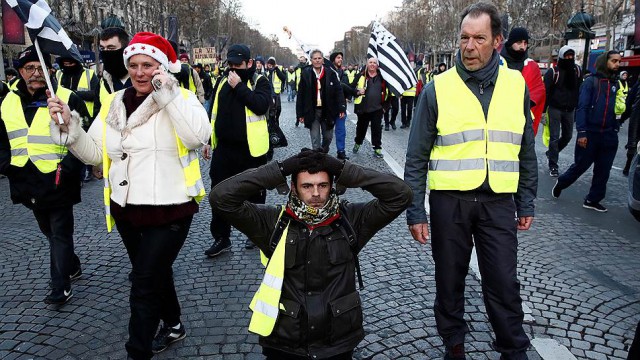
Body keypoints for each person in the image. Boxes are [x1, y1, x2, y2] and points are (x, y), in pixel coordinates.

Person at [47, 32, 210, 359]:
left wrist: (167, 95)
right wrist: (70, 127)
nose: (139, 72)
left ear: (162, 67)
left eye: (147, 65)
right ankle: (175, 324)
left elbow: (196, 137)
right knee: (154, 273)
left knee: (143, 282)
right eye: (133, 65)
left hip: (171, 209)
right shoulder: (115, 102)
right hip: (127, 211)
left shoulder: (183, 99)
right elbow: (95, 154)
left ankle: (137, 351)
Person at [404, 3, 537, 359]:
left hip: (498, 203)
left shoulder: (515, 85)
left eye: (479, 38)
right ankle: (454, 344)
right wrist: (416, 211)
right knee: (449, 280)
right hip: (450, 204)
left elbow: (526, 149)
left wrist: (526, 200)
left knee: (504, 282)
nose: (469, 46)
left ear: (497, 41)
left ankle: (513, 348)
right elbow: (416, 155)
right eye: (464, 37)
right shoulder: (437, 89)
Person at [209, 148, 412, 359]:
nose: (316, 194)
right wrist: (281, 169)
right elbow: (221, 197)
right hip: (285, 343)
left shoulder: (352, 219)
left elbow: (401, 194)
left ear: (331, 186)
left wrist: (342, 169)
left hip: (337, 343)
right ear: (293, 189)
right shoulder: (272, 222)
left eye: (322, 185)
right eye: (307, 186)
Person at [0, 46, 89, 305]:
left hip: (59, 176)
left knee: (60, 230)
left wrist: (72, 165)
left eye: (41, 68)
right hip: (25, 177)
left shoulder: (66, 97)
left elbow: (87, 134)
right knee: (47, 229)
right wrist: (5, 164)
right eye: (30, 68)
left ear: (51, 70)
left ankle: (60, 286)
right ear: (20, 71)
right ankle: (70, 263)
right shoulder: (8, 100)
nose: (36, 73)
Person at [203, 44, 271, 256]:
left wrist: (240, 86)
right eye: (230, 64)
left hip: (251, 151)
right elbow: (212, 110)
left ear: (249, 63)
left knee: (254, 195)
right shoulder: (222, 80)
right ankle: (222, 238)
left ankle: (256, 234)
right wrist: (206, 140)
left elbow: (260, 105)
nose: (232, 69)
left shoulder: (259, 81)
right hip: (223, 150)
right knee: (219, 194)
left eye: (237, 65)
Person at [552, 51, 623, 212]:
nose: (617, 64)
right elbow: (582, 107)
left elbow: (619, 106)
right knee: (580, 166)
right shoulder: (591, 82)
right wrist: (582, 132)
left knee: (603, 170)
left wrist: (616, 125)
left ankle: (592, 199)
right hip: (590, 133)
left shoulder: (616, 84)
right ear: (605, 62)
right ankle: (562, 182)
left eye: (619, 61)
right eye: (614, 61)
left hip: (609, 134)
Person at [296, 49, 346, 153]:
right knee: (315, 138)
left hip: (327, 110)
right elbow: (301, 95)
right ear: (311, 60)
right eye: (315, 58)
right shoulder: (306, 74)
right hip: (312, 110)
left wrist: (341, 108)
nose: (317, 60)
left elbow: (339, 91)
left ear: (323, 60)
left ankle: (323, 152)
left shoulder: (330, 73)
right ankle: (318, 160)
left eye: (319, 58)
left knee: (328, 137)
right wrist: (300, 114)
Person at [543, 45, 582, 177]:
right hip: (555, 108)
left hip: (570, 109)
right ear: (561, 57)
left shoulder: (577, 70)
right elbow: (546, 92)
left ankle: (552, 153)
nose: (569, 58)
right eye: (567, 56)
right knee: (554, 137)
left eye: (571, 56)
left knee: (568, 136)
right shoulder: (553, 72)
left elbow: (579, 89)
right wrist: (543, 111)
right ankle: (553, 165)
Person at [500, 27, 546, 135]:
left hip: (524, 117)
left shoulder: (532, 65)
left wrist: (527, 103)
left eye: (525, 43)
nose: (523, 46)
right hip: (500, 116)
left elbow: (539, 89)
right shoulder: (497, 62)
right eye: (519, 42)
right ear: (511, 42)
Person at [352, 56, 388, 159]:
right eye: (370, 62)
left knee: (377, 129)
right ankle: (358, 143)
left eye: (374, 63)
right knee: (361, 129)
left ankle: (377, 148)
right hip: (363, 109)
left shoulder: (383, 78)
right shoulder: (361, 76)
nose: (372, 64)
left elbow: (389, 94)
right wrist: (358, 91)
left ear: (377, 65)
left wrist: (384, 107)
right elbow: (351, 88)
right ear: (367, 64)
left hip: (377, 109)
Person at [330, 51, 356, 160]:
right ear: (333, 60)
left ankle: (341, 151)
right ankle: (323, 150)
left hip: (341, 106)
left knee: (341, 131)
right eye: (338, 58)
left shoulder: (343, 73)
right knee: (327, 133)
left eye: (341, 58)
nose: (340, 59)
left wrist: (350, 95)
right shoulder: (328, 72)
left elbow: (346, 87)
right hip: (329, 106)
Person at [98, 26, 132, 103]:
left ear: (124, 50)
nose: (106, 53)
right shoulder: (102, 82)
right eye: (102, 48)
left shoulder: (141, 79)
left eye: (111, 48)